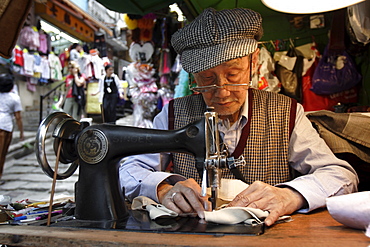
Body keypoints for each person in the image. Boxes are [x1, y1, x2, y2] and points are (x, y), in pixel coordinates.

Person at [119, 8, 358, 226]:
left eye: (233, 74)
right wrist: (161, 189)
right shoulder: (172, 115)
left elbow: (341, 176)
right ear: (193, 74)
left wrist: (291, 195)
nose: (221, 92)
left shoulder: (287, 112)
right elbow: (129, 169)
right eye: (207, 78)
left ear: (253, 62)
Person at [0, 73, 24, 184]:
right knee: (2, 153)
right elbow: (18, 117)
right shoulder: (14, 98)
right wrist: (21, 132)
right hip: (5, 126)